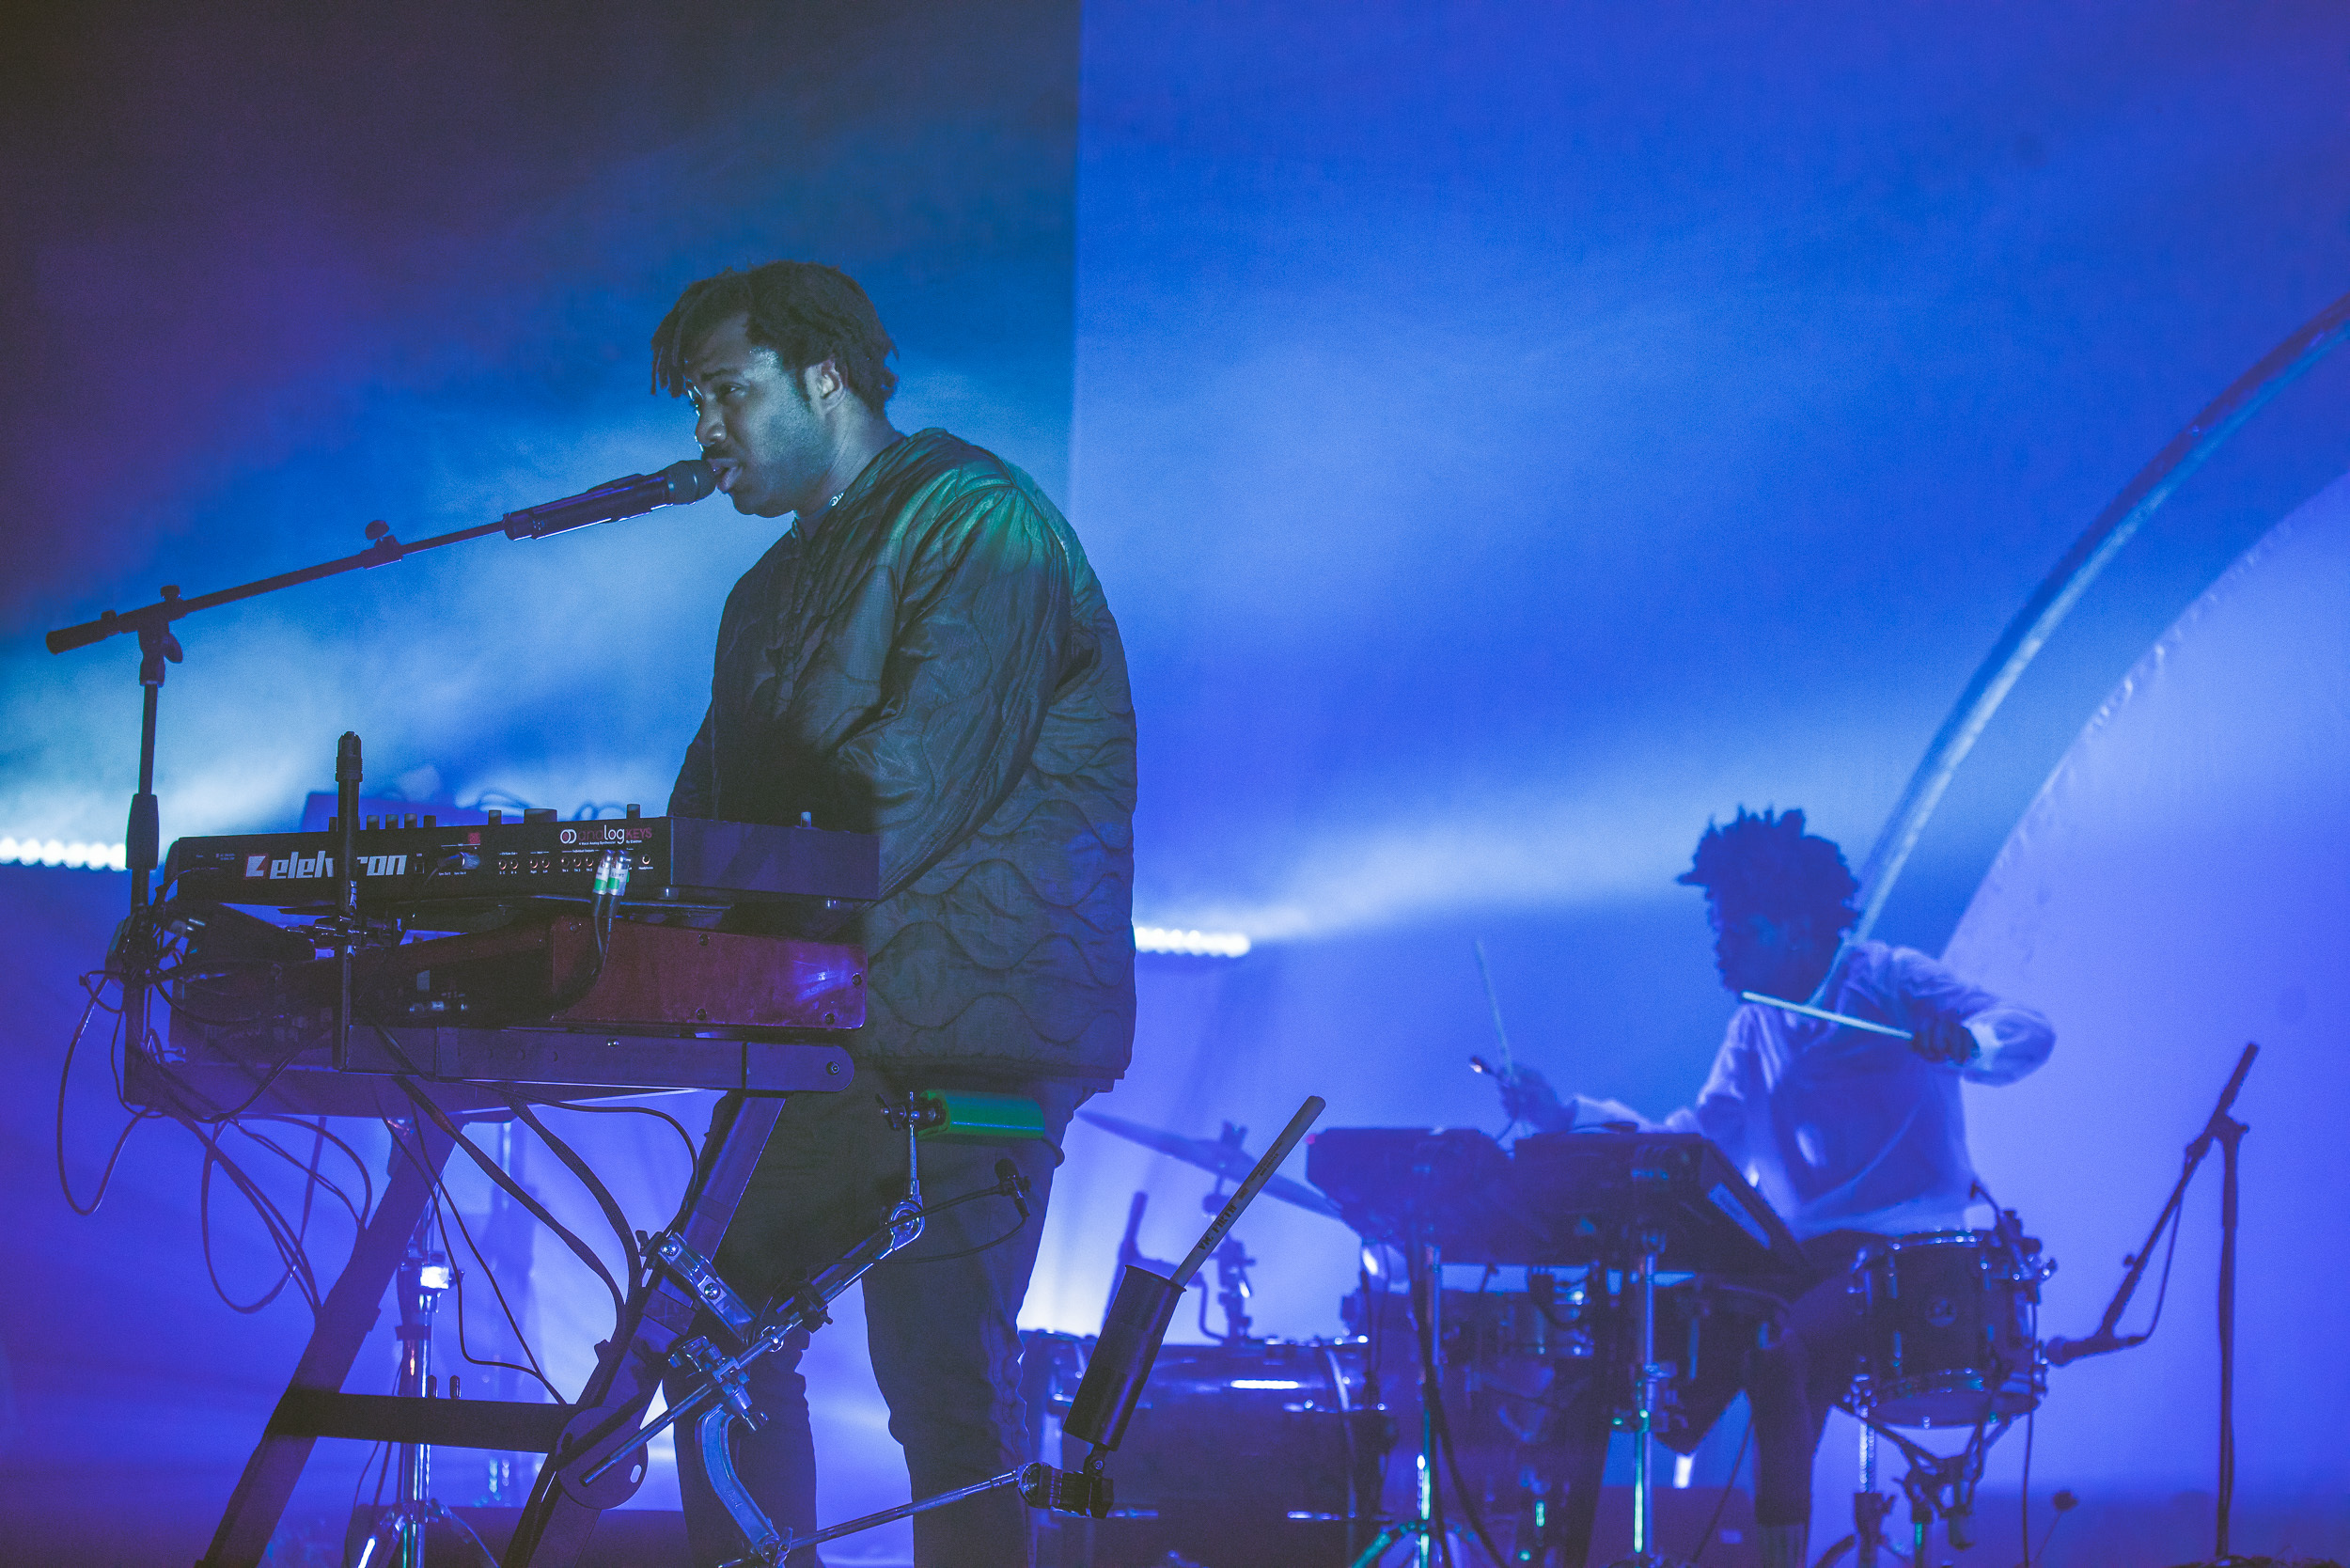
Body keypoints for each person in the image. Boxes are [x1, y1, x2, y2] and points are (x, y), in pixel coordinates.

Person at [652, 260, 1136, 1567]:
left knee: (941, 1393)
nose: (704, 431)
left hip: (970, 1044)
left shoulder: (982, 521)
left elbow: (906, 790)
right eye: (695, 403)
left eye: (725, 392)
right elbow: (709, 817)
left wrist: (711, 892)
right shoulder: (763, 596)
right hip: (827, 1033)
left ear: (827, 377)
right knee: (705, 1329)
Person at [1503, 807, 2053, 1568]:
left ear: (1797, 927)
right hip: (1803, 1258)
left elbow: (2026, 1029)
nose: (1722, 954)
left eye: (1738, 933)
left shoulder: (1889, 978)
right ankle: (1561, 1528)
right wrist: (1564, 1114)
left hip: (1901, 1249)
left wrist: (1970, 1041)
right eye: (1718, 933)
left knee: (1781, 1355)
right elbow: (1692, 1138)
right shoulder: (1753, 1028)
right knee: (1645, 1333)